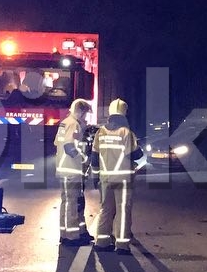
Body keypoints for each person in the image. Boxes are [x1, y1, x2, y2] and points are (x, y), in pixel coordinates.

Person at [94, 98, 144, 253]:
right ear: (124, 114)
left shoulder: (100, 132)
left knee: (106, 210)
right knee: (123, 210)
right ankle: (121, 245)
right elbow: (136, 155)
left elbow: (94, 157)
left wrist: (95, 178)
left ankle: (102, 242)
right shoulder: (126, 133)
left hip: (105, 178)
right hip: (123, 179)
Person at [53, 98, 92, 245]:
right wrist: (85, 159)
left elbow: (57, 142)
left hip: (64, 170)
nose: (85, 117)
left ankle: (67, 233)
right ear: (80, 111)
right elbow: (69, 147)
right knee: (72, 203)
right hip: (72, 170)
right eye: (85, 114)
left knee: (67, 202)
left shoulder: (65, 123)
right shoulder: (73, 124)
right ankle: (71, 237)